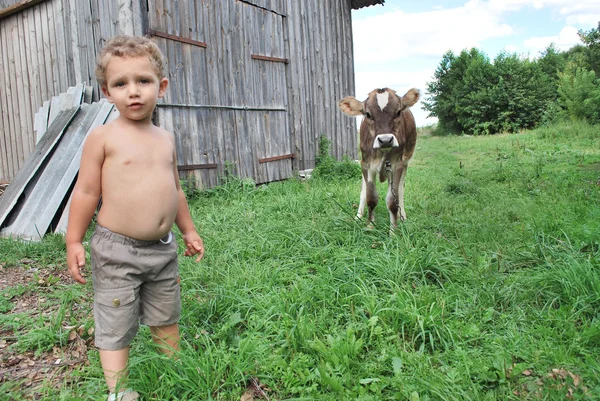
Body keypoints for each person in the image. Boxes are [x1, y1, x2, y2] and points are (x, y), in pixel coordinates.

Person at [66, 35, 204, 401]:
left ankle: (174, 371)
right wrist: (73, 240)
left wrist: (188, 230)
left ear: (161, 86)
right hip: (117, 251)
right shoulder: (103, 138)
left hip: (162, 249)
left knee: (165, 311)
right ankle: (119, 390)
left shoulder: (165, 139)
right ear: (106, 92)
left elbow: (175, 191)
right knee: (115, 319)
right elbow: (85, 192)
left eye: (143, 81)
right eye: (120, 84)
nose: (133, 92)